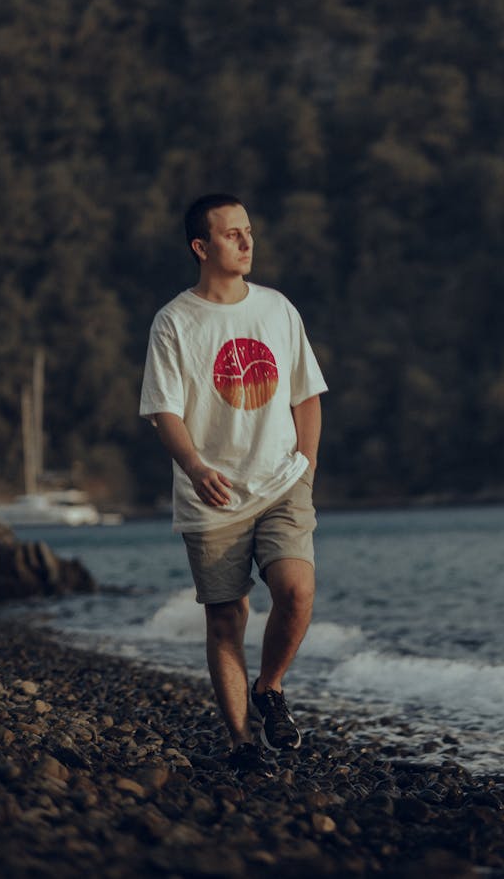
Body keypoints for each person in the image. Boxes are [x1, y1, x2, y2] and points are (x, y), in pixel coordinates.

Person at [140, 193, 327, 775]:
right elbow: (163, 411)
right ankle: (243, 743)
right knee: (226, 620)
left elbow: (306, 394)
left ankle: (269, 687)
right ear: (202, 247)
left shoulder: (277, 309)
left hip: (282, 480)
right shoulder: (175, 321)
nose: (247, 242)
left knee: (295, 590)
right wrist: (195, 467)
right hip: (211, 495)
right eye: (231, 234)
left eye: (248, 231)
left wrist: (308, 467)